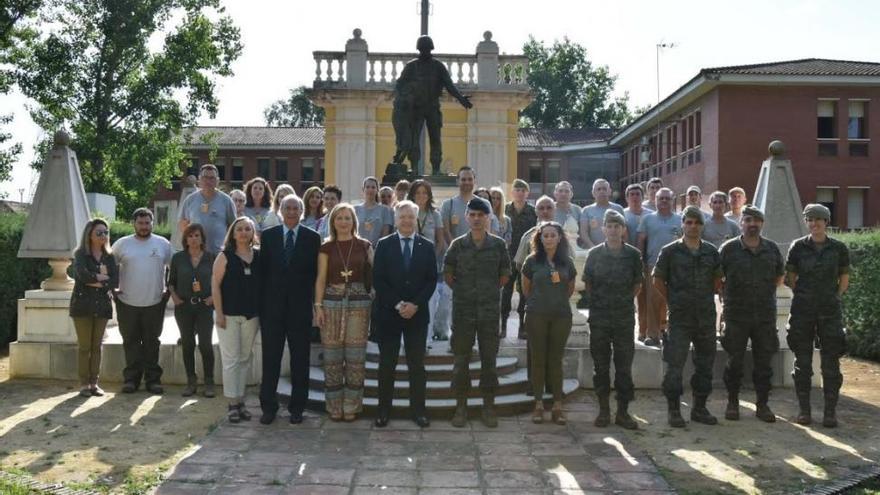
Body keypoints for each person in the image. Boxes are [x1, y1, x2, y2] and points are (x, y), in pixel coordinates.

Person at [444, 197, 511, 428]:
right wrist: (467, 293)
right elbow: (449, 276)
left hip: (489, 311)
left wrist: (486, 292)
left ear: (488, 217)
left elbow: (504, 275)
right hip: (463, 312)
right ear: (466, 217)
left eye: (480, 215)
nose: (476, 219)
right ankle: (460, 407)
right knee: (461, 361)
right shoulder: (457, 246)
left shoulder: (498, 245)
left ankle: (488, 406)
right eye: (472, 215)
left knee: (489, 361)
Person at [653, 206, 722, 428]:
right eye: (689, 222)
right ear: (682, 224)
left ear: (703, 225)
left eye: (697, 223)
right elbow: (658, 281)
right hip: (680, 317)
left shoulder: (711, 252)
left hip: (705, 316)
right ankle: (674, 410)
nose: (693, 226)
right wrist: (674, 300)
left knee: (705, 365)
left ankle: (699, 408)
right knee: (675, 365)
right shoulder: (670, 251)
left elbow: (718, 281)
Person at [372, 201, 438, 427]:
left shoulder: (427, 246)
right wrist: (399, 304)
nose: (407, 221)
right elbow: (378, 280)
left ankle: (419, 411)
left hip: (417, 315)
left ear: (416, 219)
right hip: (389, 314)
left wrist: (415, 305)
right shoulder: (383, 245)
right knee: (386, 365)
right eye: (403, 217)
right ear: (396, 219)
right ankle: (383, 411)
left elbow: (431, 281)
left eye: (411, 217)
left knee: (417, 366)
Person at [258, 194, 321, 425]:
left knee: (300, 360)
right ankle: (268, 407)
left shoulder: (312, 238)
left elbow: (316, 276)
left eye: (296, 208)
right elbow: (262, 275)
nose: (292, 211)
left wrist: (316, 307)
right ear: (281, 211)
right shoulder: (269, 237)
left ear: (301, 211)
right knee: (271, 359)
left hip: (300, 310)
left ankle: (297, 408)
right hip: (272, 310)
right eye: (288, 208)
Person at [785, 203, 850, 428]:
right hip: (803, 310)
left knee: (831, 363)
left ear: (826, 222)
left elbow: (844, 278)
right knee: (802, 362)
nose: (814, 224)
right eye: (810, 220)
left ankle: (830, 412)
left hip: (829, 311)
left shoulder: (839, 248)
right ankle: (804, 411)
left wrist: (834, 297)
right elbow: (791, 276)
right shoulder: (798, 247)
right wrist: (803, 294)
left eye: (818, 220)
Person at [719, 205, 784, 423]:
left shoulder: (772, 249)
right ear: (741, 223)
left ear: (762, 224)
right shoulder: (728, 249)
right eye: (747, 220)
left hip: (764, 315)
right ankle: (732, 402)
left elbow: (779, 277)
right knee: (734, 362)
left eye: (756, 221)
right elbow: (718, 280)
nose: (752, 224)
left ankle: (762, 404)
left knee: (764, 363)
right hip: (736, 314)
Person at [313, 203, 373, 421]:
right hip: (331, 303)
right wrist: (318, 307)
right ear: (333, 221)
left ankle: (351, 405)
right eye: (339, 218)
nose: (344, 222)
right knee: (332, 356)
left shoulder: (365, 245)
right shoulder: (326, 247)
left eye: (348, 218)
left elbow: (373, 279)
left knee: (356, 357)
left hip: (358, 304)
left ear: (354, 221)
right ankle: (334, 405)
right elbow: (320, 279)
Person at [583, 210, 642, 429]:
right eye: (610, 226)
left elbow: (637, 284)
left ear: (624, 229)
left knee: (624, 366)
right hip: (599, 317)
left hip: (624, 318)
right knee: (601, 366)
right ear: (604, 229)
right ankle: (604, 410)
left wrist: (622, 301)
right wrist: (600, 301)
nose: (614, 229)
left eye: (618, 226)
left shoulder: (633, 255)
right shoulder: (595, 254)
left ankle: (623, 412)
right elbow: (588, 282)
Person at [521, 221, 576, 425]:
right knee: (538, 359)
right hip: (536, 315)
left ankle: (557, 406)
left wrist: (555, 300)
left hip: (561, 315)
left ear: (559, 238)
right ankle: (537, 405)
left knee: (556, 360)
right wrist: (541, 301)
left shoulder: (567, 263)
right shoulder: (531, 261)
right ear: (540, 238)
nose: (549, 238)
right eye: (546, 235)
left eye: (553, 235)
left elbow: (569, 289)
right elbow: (526, 289)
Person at [112, 208, 172, 394]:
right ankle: (131, 380)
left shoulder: (163, 244)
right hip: (126, 301)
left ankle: (153, 380)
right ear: (134, 224)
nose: (144, 226)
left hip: (154, 302)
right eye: (140, 223)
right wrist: (113, 290)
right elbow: (109, 267)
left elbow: (173, 268)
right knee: (130, 341)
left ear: (152, 223)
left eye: (147, 223)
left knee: (152, 342)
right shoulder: (121, 244)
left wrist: (167, 290)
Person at [211, 217, 261, 423]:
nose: (243, 232)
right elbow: (215, 285)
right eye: (239, 229)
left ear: (252, 233)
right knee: (231, 361)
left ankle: (240, 401)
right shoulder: (225, 256)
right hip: (228, 315)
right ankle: (232, 403)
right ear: (232, 233)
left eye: (247, 229)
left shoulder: (258, 256)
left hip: (251, 315)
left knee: (244, 359)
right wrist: (219, 313)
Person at [70, 219, 118, 397]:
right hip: (82, 306)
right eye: (99, 233)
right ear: (89, 234)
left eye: (105, 232)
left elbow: (115, 280)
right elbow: (83, 276)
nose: (103, 236)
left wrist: (96, 280)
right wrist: (101, 279)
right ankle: (84, 384)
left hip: (102, 306)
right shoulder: (81, 254)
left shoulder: (109, 256)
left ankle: (94, 383)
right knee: (85, 347)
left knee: (97, 346)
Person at [169, 223, 216, 397]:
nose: (194, 239)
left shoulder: (212, 257)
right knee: (188, 344)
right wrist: (174, 296)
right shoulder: (178, 258)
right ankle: (191, 381)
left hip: (205, 306)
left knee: (205, 344)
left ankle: (209, 382)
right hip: (184, 306)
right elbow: (171, 281)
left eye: (197, 235)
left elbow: (220, 282)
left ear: (202, 238)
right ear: (185, 239)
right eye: (190, 236)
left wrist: (213, 298)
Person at [637, 187, 681, 347]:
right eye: (660, 198)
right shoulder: (647, 219)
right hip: (653, 266)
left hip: (676, 268)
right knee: (653, 301)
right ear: (655, 200)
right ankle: (652, 335)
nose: (663, 201)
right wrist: (641, 263)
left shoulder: (680, 219)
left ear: (672, 200)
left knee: (673, 302)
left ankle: (671, 334)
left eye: (667, 198)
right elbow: (641, 241)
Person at [407, 179, 448, 342]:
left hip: (429, 264)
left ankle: (427, 337)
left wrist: (432, 258)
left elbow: (440, 240)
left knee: (429, 302)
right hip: (409, 263)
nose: (421, 196)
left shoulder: (435, 214)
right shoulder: (407, 212)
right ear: (412, 195)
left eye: (424, 193)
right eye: (417, 193)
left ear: (429, 195)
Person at [502, 179, 537, 339]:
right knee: (506, 293)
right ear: (512, 192)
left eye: (523, 190)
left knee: (524, 293)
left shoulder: (532, 211)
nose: (520, 193)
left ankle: (522, 327)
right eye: (517, 190)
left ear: (527, 193)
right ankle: (503, 326)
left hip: (525, 258)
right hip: (508, 257)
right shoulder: (505, 209)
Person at [177, 164, 236, 254]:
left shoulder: (226, 201)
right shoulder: (190, 200)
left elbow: (233, 226)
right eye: (205, 177)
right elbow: (183, 224)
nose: (208, 181)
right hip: (196, 254)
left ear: (217, 181)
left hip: (219, 253)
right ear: (199, 180)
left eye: (212, 178)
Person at [623, 184, 649, 340]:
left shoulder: (651, 215)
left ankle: (643, 330)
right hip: (624, 261)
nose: (634, 197)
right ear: (627, 197)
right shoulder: (622, 214)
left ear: (642, 196)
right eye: (631, 194)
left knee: (644, 298)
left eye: (637, 194)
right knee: (626, 297)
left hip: (645, 262)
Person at [581, 178, 625, 250]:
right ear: (593, 193)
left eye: (604, 189)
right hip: (594, 251)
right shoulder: (586, 210)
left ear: (610, 191)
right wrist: (593, 248)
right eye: (598, 189)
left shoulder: (618, 209)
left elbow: (623, 231)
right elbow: (584, 233)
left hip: (615, 250)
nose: (602, 191)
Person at [355, 177, 394, 246]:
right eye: (367, 187)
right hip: (358, 249)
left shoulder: (384, 210)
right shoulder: (355, 209)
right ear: (363, 189)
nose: (370, 189)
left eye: (373, 187)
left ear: (377, 190)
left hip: (377, 250)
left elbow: (385, 234)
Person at [553, 181, 581, 246]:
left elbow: (582, 232)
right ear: (555, 194)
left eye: (567, 191)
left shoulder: (578, 210)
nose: (563, 194)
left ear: (571, 194)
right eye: (560, 191)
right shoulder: (549, 209)